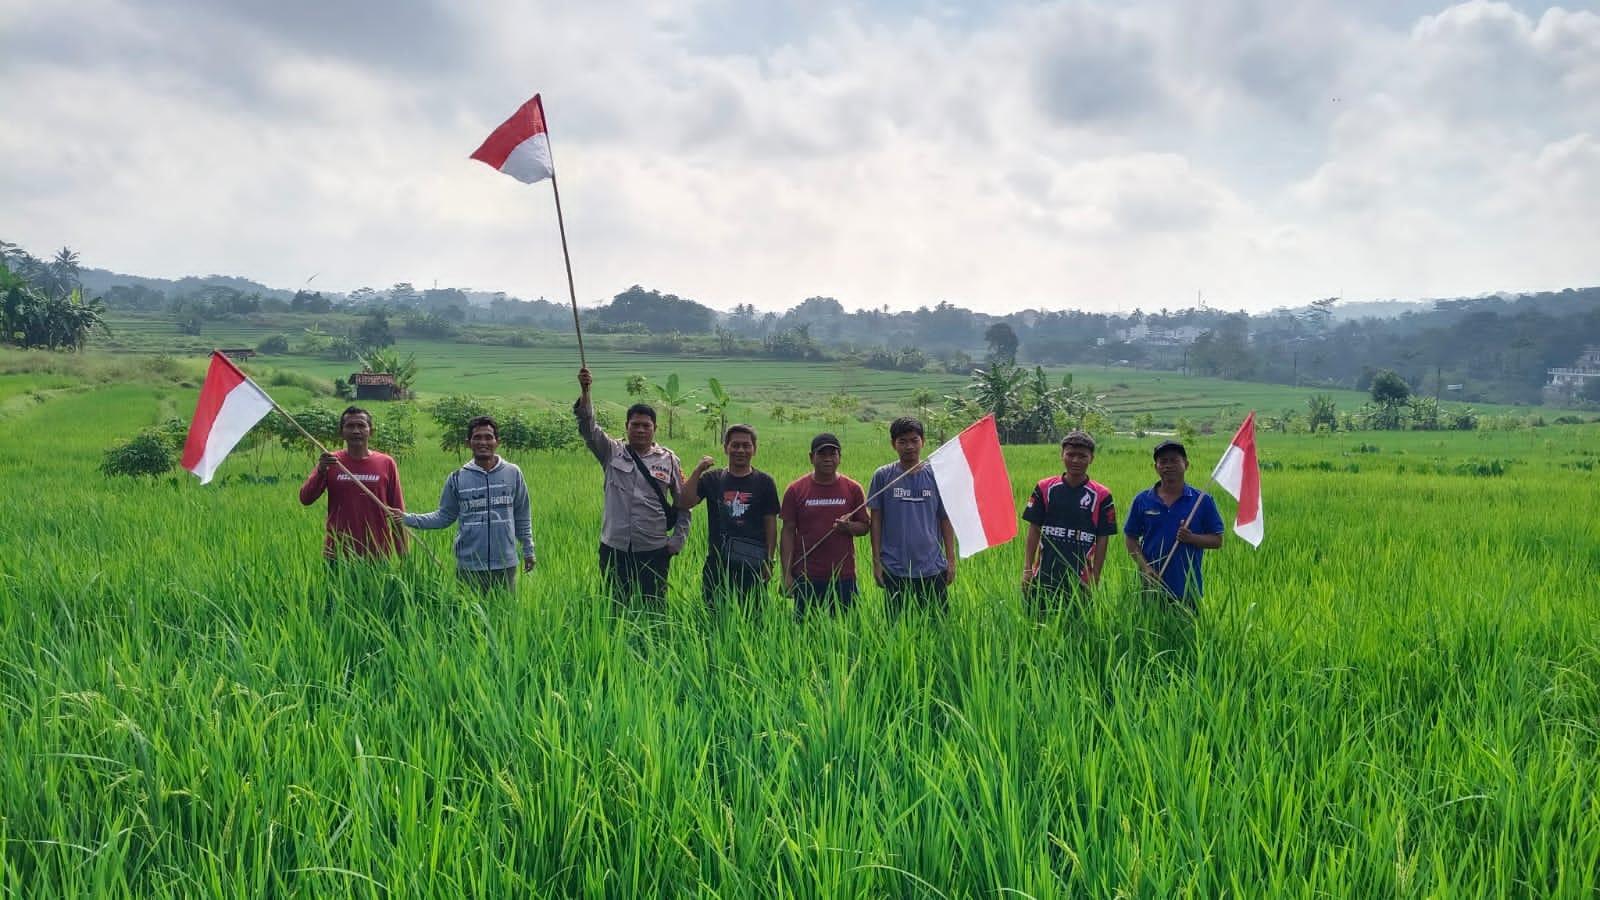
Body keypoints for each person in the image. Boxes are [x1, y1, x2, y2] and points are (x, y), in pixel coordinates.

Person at [574, 367, 690, 610]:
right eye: (635, 425)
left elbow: (684, 504)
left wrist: (678, 540)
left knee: (654, 607)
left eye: (646, 426)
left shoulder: (669, 459)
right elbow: (588, 426)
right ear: (626, 426)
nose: (640, 430)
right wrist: (586, 391)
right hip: (615, 547)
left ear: (654, 429)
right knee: (615, 606)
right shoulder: (611, 451)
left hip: (654, 549)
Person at [389, 416, 535, 593]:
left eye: (488, 437)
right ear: (468, 443)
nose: (483, 442)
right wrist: (407, 518)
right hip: (469, 566)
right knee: (467, 617)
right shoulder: (457, 478)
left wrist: (528, 550)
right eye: (477, 437)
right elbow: (443, 517)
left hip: (505, 564)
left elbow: (522, 515)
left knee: (504, 616)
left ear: (497, 442)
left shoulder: (513, 473)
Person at [680, 424, 780, 613]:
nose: (740, 450)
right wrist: (698, 470)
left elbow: (771, 523)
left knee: (754, 617)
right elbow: (685, 502)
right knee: (714, 616)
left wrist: (770, 559)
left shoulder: (765, 482)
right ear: (725, 447)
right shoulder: (712, 479)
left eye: (746, 445)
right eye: (735, 445)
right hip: (717, 562)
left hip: (753, 563)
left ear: (754, 449)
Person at [868, 416, 957, 616]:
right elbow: (876, 521)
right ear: (893, 444)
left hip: (932, 566)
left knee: (938, 626)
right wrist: (876, 562)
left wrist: (950, 560)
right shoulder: (883, 476)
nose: (909, 446)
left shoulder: (936, 476)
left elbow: (945, 519)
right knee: (897, 627)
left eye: (914, 440)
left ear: (923, 442)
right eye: (903, 441)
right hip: (895, 567)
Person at [1020, 430, 1116, 614]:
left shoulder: (1102, 495)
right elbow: (1034, 529)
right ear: (1061, 455)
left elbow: (1103, 538)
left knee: (1077, 633)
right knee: (1036, 629)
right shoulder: (1045, 488)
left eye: (1082, 456)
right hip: (1043, 576)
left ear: (1091, 458)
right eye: (1070, 455)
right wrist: (1027, 570)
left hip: (1081, 580)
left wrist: (1095, 577)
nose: (1076, 460)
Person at [1123, 439, 1225, 606]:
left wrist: (1192, 538)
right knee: (1149, 629)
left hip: (1188, 589)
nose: (1168, 465)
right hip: (1151, 586)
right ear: (1156, 467)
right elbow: (1130, 538)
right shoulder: (1142, 500)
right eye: (1163, 461)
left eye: (1174, 460)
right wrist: (1144, 567)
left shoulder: (1201, 500)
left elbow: (1217, 540)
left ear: (1186, 464)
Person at [298, 406, 407, 560]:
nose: (356, 431)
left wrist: (404, 556)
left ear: (371, 431)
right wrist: (321, 470)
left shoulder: (386, 463)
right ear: (341, 432)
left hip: (377, 552)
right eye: (350, 426)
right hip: (337, 553)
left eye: (361, 425)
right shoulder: (331, 461)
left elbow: (397, 512)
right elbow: (305, 498)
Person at [779, 433, 870, 616]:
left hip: (844, 577)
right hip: (806, 576)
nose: (828, 459)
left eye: (833, 453)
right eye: (822, 454)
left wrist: (849, 527)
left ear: (839, 457)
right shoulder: (795, 490)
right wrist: (786, 575)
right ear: (811, 457)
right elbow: (787, 532)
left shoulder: (853, 488)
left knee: (846, 633)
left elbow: (865, 527)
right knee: (807, 633)